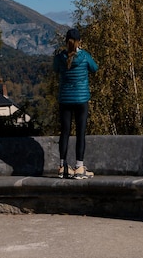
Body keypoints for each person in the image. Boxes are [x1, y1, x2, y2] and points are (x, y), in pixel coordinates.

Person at [53, 28, 99, 179]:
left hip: (65, 99)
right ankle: (79, 167)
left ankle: (62, 166)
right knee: (80, 133)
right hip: (81, 100)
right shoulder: (84, 56)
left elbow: (55, 69)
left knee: (65, 132)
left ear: (66, 41)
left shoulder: (60, 57)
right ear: (79, 41)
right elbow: (95, 68)